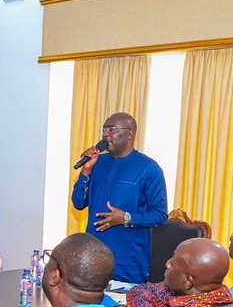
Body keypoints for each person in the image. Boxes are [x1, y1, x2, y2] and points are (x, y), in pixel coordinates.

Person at [71, 112, 168, 284]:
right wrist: (85, 171)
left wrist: (126, 218)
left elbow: (160, 215)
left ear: (130, 134)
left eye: (112, 129)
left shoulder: (149, 168)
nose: (106, 134)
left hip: (127, 261)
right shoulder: (97, 163)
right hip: (93, 256)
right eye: (104, 129)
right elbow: (78, 203)